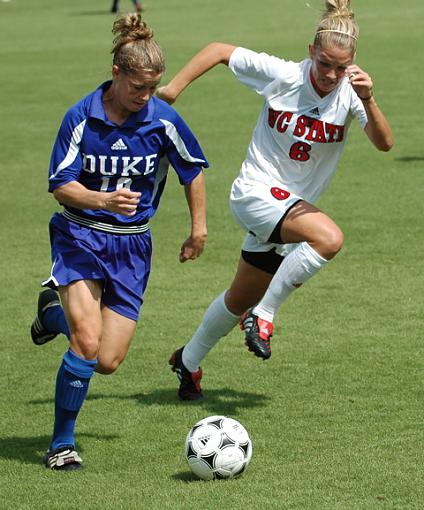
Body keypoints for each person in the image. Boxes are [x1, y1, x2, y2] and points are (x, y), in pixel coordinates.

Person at [157, 0, 393, 401]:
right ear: (310, 52)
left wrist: (369, 98)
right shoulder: (284, 74)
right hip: (255, 192)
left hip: (287, 210)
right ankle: (263, 316)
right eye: (324, 64)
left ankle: (189, 361)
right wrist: (173, 88)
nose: (331, 75)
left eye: (341, 67)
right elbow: (217, 50)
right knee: (329, 239)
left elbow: (385, 144)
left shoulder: (351, 94)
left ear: (353, 63)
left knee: (238, 297)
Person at [31, 12, 208, 470]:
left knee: (107, 360)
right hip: (80, 235)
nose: (146, 96)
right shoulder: (81, 117)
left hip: (132, 248)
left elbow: (192, 171)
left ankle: (51, 315)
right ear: (116, 73)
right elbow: (59, 184)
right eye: (138, 88)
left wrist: (198, 229)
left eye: (152, 88)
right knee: (86, 344)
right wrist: (102, 200)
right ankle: (61, 445)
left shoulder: (162, 119)